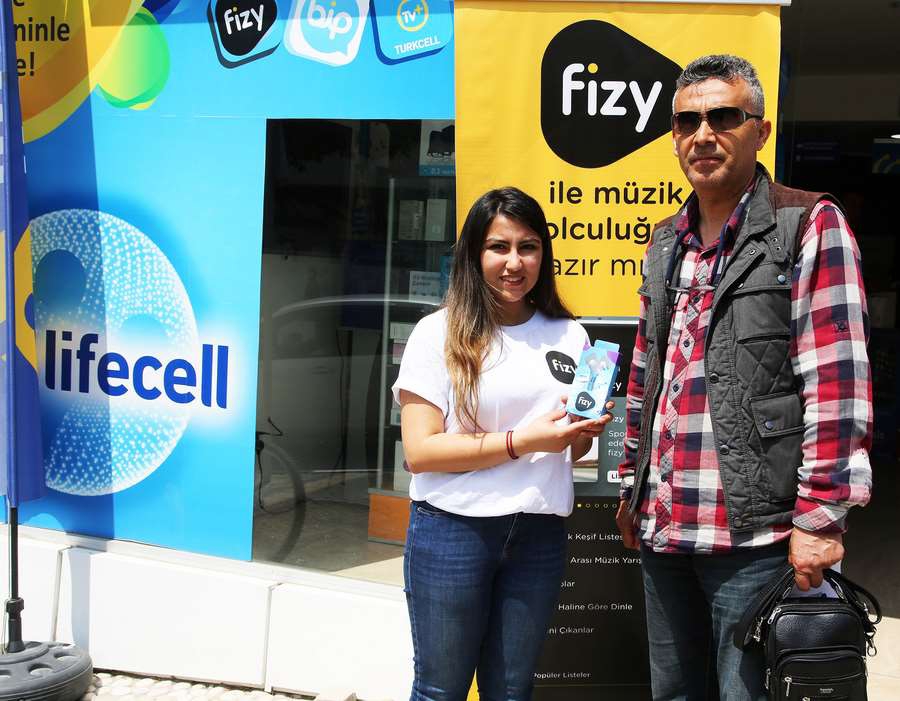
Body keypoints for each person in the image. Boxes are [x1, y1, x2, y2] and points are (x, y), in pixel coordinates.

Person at [615, 55, 872, 700]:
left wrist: (821, 518)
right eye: (687, 121)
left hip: (756, 536)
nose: (703, 135)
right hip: (665, 527)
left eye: (723, 117)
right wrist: (631, 485)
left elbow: (837, 383)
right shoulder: (665, 241)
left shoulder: (807, 224)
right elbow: (647, 372)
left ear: (760, 131)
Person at [394, 187, 612, 701]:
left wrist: (580, 435)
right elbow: (420, 452)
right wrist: (522, 440)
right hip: (453, 530)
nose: (514, 263)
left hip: (538, 534)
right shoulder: (436, 333)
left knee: (512, 692)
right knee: (440, 690)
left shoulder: (572, 336)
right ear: (474, 253)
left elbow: (572, 452)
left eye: (528, 247)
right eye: (499, 247)